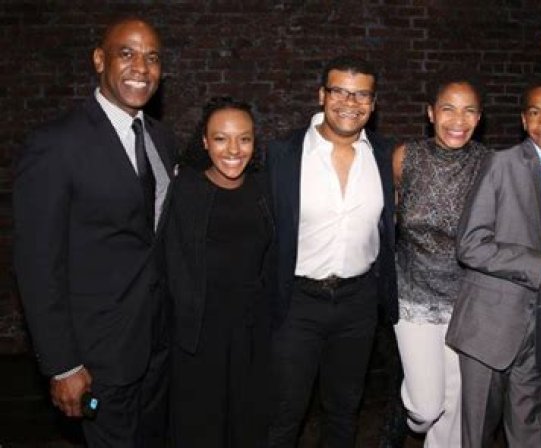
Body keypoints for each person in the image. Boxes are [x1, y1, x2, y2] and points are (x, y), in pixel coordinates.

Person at [13, 17, 176, 445]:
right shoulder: (56, 144)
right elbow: (37, 265)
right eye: (127, 53)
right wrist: (62, 364)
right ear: (100, 60)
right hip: (97, 355)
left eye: (153, 58)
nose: (141, 67)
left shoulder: (161, 139)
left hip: (156, 347)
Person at [446, 81, 541, 447]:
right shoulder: (501, 165)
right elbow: (471, 246)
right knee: (478, 433)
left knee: (530, 431)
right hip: (489, 327)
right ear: (524, 121)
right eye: (535, 113)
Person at [266, 56, 397, 447]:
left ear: (373, 103)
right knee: (284, 411)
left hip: (358, 302)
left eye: (361, 95)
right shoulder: (282, 155)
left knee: (344, 410)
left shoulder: (386, 156)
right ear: (322, 95)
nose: (349, 102)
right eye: (339, 91)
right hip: (297, 302)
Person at [165, 97, 274, 447]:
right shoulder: (186, 189)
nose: (234, 150)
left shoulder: (263, 188)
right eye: (221, 138)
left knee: (248, 427)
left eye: (244, 139)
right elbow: (168, 264)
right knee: (200, 429)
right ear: (204, 141)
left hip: (252, 335)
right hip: (198, 337)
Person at [391, 73, 491, 447]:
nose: (458, 120)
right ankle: (408, 417)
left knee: (454, 409)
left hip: (465, 301)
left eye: (468, 111)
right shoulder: (405, 158)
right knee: (427, 407)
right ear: (431, 113)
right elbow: (384, 216)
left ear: (478, 118)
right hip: (412, 296)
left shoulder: (490, 165)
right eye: (448, 109)